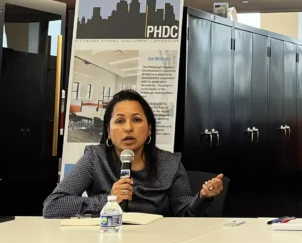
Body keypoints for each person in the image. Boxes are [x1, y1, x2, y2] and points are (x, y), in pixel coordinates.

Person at [44, 90, 224, 219]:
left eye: (137, 120)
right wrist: (107, 200)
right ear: (108, 129)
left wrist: (202, 198)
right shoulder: (95, 159)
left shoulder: (169, 163)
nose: (128, 128)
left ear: (149, 129)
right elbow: (53, 205)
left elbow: (185, 214)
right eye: (120, 121)